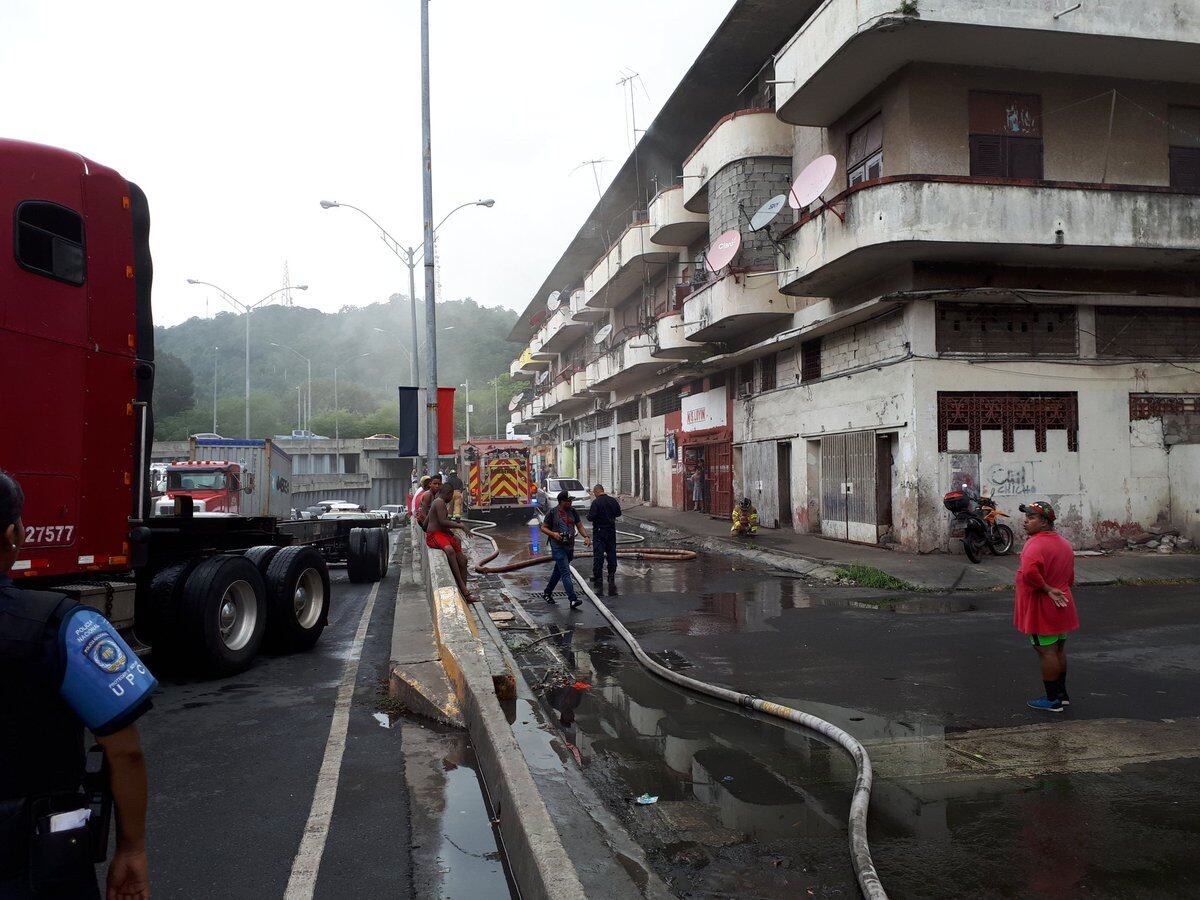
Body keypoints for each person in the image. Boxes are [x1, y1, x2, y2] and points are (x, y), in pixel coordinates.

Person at [0, 471, 155, 900]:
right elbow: (125, 752)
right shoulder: (65, 625)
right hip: (35, 862)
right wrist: (132, 848)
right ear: (15, 534)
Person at [1014, 500, 1079, 713]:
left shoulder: (1034, 545)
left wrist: (1046, 588)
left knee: (1046, 651)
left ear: (1044, 522)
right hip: (1062, 604)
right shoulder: (1065, 544)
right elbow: (1069, 577)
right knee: (1059, 649)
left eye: (1031, 518)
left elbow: (1031, 573)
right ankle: (1062, 694)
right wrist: (1055, 589)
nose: (1025, 522)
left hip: (1043, 606)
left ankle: (1052, 699)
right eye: (1026, 517)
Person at [540, 491, 590, 609]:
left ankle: (547, 592)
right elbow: (543, 527)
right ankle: (572, 599)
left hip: (569, 546)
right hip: (557, 546)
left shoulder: (572, 511)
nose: (571, 502)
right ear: (562, 501)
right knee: (566, 572)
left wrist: (586, 537)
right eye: (568, 501)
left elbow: (579, 526)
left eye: (571, 500)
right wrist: (553, 534)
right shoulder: (552, 513)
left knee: (559, 571)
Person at [425, 483, 472, 600]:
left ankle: (463, 591)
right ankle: (463, 588)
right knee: (449, 551)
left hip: (443, 534)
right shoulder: (439, 502)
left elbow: (426, 523)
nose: (451, 499)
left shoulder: (438, 502)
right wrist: (460, 525)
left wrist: (451, 535)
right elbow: (442, 521)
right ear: (448, 494)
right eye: (451, 496)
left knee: (463, 560)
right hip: (434, 535)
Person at [586, 484, 622, 594]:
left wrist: (590, 516)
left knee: (599, 554)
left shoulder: (596, 503)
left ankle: (598, 577)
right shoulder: (613, 501)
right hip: (611, 531)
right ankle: (611, 575)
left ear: (596, 492)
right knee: (611, 552)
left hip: (599, 532)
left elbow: (591, 517)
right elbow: (618, 513)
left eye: (594, 493)